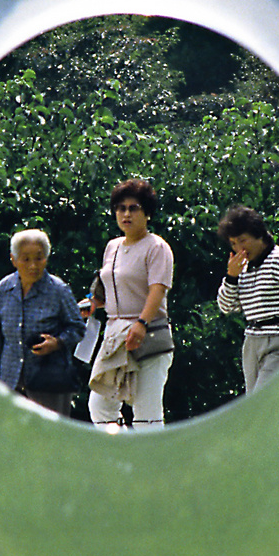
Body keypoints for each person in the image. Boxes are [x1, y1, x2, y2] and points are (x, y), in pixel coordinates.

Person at [87, 179, 175, 429]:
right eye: (120, 208)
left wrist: (142, 323)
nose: (126, 214)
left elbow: (157, 289)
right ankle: (122, 457)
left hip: (148, 336)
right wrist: (94, 304)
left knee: (146, 411)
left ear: (147, 213)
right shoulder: (112, 246)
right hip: (116, 337)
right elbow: (110, 286)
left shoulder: (157, 247)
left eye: (133, 208)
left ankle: (153, 466)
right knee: (100, 407)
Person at [0, 228, 86, 416]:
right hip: (10, 381)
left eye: (39, 258)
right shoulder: (5, 289)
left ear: (46, 258)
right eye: (25, 259)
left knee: (49, 440)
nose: (33, 265)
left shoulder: (59, 290)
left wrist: (57, 342)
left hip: (48, 382)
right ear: (13, 260)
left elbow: (77, 328)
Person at [216, 205, 279, 393]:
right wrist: (231, 276)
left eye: (243, 241)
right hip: (252, 343)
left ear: (259, 236)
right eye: (233, 243)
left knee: (262, 403)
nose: (239, 248)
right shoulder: (243, 268)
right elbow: (226, 307)